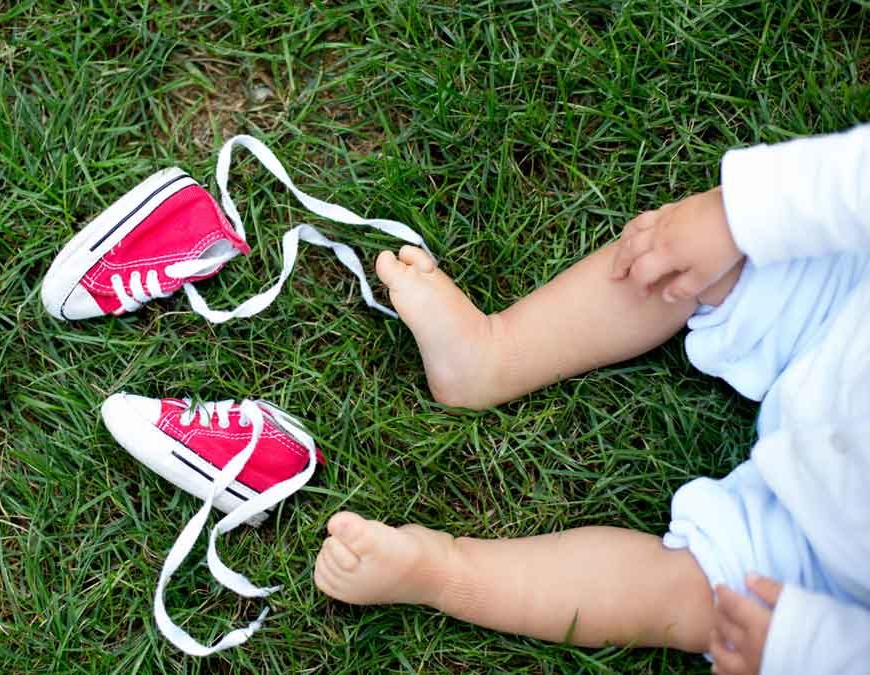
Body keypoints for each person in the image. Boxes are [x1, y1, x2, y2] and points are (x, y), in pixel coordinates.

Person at [314, 124, 870, 674]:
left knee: (690, 599)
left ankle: (444, 573)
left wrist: (806, 649)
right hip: (847, 317)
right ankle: (491, 354)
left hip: (836, 562)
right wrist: (744, 214)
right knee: (678, 259)